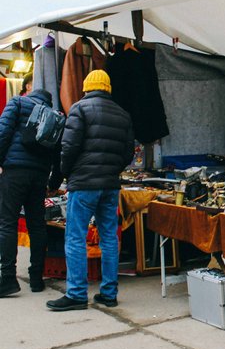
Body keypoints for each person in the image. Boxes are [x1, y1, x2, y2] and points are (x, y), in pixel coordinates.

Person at [46, 70, 134, 311]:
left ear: (86, 87)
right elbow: (127, 153)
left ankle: (76, 294)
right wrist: (110, 170)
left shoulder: (79, 108)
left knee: (75, 237)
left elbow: (68, 147)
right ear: (107, 88)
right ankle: (109, 293)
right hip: (110, 185)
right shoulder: (123, 114)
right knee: (109, 237)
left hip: (83, 184)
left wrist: (65, 173)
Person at [0, 87, 62, 297]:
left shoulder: (17, 103)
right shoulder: (54, 115)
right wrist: (54, 183)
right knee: (37, 225)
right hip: (39, 177)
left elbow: (3, 132)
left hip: (15, 172)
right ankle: (36, 278)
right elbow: (58, 154)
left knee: (7, 223)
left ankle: (8, 278)